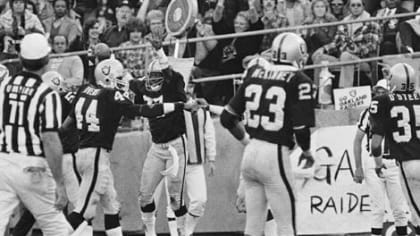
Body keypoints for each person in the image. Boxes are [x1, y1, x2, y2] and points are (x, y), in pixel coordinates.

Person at [63, 58, 197, 236]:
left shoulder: (84, 90)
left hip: (82, 152)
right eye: (118, 77)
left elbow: (66, 126)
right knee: (82, 211)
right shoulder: (111, 96)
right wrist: (178, 105)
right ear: (108, 79)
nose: (123, 80)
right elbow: (143, 110)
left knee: (111, 206)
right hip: (96, 156)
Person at [220, 32, 315, 235]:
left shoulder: (255, 73)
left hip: (250, 153)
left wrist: (247, 141)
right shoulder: (299, 79)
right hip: (274, 153)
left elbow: (227, 118)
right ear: (297, 54)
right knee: (286, 224)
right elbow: (301, 129)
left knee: (253, 226)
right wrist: (307, 152)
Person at [0, 33, 72, 235]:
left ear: (21, 59)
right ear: (47, 61)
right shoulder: (46, 94)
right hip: (31, 166)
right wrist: (59, 182)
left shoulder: (4, 86)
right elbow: (50, 139)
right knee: (56, 227)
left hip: (3, 163)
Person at [129, 34, 189, 236]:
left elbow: (170, 75)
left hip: (176, 146)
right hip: (156, 147)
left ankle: (181, 232)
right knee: (145, 196)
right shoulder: (140, 86)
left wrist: (160, 52)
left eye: (158, 77)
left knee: (175, 199)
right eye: (150, 76)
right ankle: (150, 233)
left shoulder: (173, 82)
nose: (153, 81)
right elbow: (127, 86)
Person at [11, 71, 81, 236]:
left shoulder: (38, 105)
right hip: (63, 157)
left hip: (44, 158)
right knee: (79, 205)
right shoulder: (68, 101)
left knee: (42, 202)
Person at [154, 82, 217, 236]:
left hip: (195, 162)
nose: (187, 89)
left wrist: (212, 157)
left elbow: (209, 134)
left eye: (190, 86)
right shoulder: (172, 109)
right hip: (175, 162)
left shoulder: (203, 111)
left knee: (200, 200)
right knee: (174, 202)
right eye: (185, 86)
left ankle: (187, 231)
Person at [353, 78, 409, 236]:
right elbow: (357, 140)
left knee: (399, 209)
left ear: (389, 92)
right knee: (377, 209)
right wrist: (358, 167)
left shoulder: (398, 109)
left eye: (382, 91)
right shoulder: (368, 112)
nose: (378, 94)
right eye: (377, 91)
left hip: (394, 161)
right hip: (373, 161)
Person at [370, 63, 420, 236]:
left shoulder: (382, 101)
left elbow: (376, 144)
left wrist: (378, 165)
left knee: (418, 217)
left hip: (410, 163)